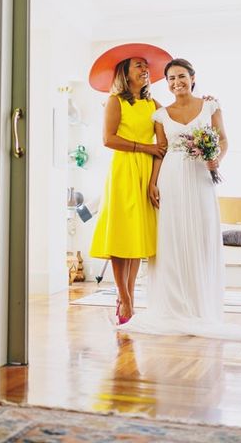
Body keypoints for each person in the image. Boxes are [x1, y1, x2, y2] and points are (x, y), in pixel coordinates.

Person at [118, 58, 241, 341]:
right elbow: (160, 151)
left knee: (200, 236)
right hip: (170, 179)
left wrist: (216, 160)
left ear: (193, 77)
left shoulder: (211, 106)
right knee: (171, 239)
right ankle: (172, 306)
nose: (177, 83)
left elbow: (223, 140)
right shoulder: (160, 115)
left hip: (200, 178)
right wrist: (152, 181)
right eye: (171, 78)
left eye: (181, 76)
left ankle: (201, 307)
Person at [88, 43, 171, 324]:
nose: (145, 70)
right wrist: (144, 149)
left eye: (146, 66)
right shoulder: (116, 101)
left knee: (136, 238)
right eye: (139, 65)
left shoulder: (154, 105)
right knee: (121, 236)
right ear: (125, 71)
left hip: (146, 173)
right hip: (123, 171)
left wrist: (154, 181)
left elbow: (164, 142)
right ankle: (123, 299)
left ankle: (129, 298)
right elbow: (108, 139)